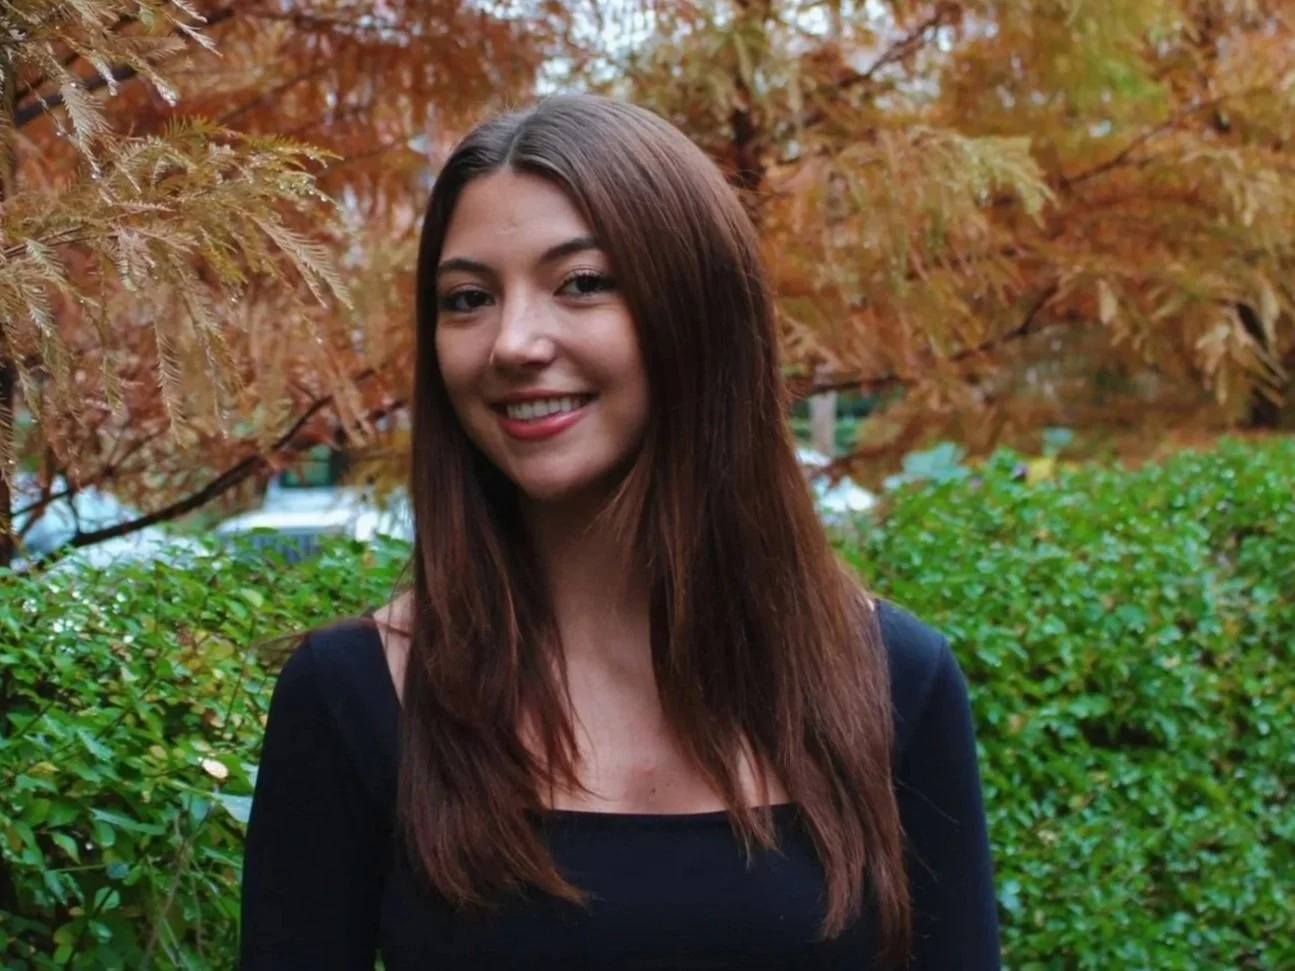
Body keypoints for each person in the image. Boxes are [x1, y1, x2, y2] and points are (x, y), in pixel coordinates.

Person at [238, 93, 1000, 970]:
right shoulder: (357, 695)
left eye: (582, 283)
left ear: (700, 314)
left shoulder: (892, 683)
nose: (513, 342)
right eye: (468, 297)